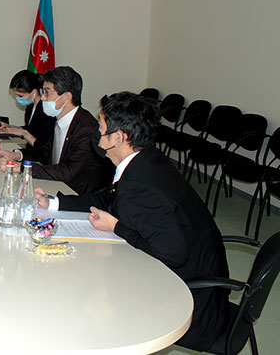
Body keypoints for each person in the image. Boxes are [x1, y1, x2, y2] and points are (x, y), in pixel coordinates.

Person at [34, 92, 229, 351]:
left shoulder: (139, 186)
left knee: (87, 298)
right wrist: (54, 203)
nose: (97, 131)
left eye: (101, 126)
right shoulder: (145, 160)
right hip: (194, 268)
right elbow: (110, 196)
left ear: (118, 137)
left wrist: (117, 227)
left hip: (193, 300)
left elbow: (173, 254)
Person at [0, 66, 113, 193]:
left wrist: (23, 168)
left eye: (47, 92)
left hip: (78, 195)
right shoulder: (58, 121)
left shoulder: (86, 128)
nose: (43, 98)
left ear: (66, 97)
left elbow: (67, 171)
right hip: (57, 187)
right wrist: (17, 155)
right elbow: (45, 152)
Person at [0, 69, 55, 163]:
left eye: (20, 96)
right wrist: (10, 128)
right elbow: (31, 129)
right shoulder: (30, 107)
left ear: (34, 93)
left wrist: (23, 133)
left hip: (40, 160)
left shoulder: (47, 111)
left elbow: (44, 147)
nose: (17, 99)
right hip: (29, 154)